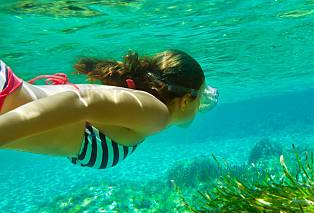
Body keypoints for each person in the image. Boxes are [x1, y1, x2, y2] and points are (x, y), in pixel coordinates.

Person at [0, 49, 218, 169]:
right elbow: (80, 102)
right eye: (202, 98)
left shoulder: (143, 114)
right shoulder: (156, 114)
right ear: (186, 100)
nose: (201, 107)